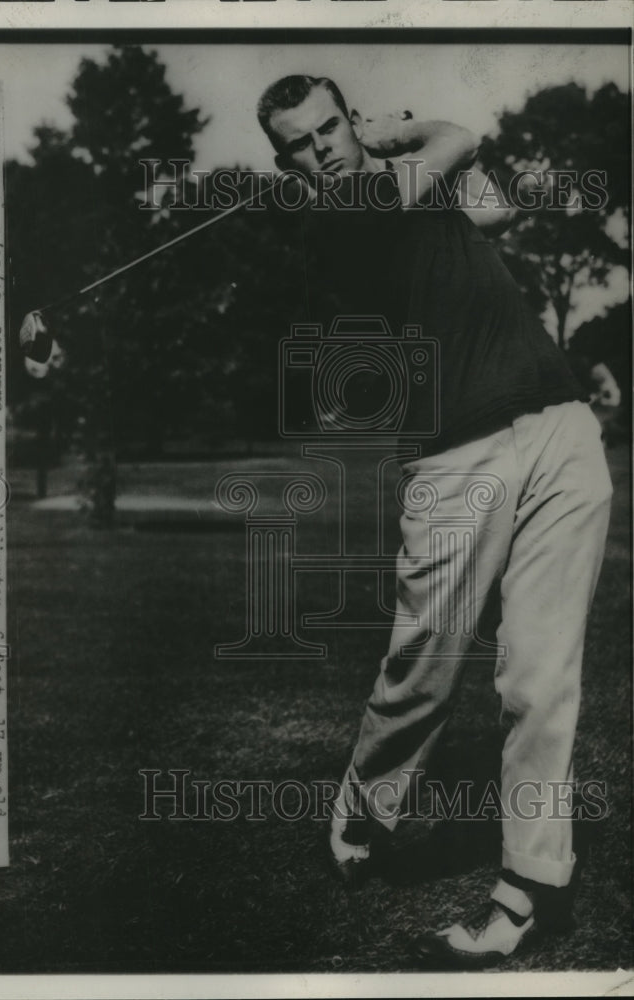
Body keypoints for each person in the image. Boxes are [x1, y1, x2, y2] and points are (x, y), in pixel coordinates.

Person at [256, 74, 613, 968]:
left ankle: (526, 888)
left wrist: (420, 152)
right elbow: (457, 139)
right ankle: (364, 807)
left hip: (560, 427)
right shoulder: (338, 216)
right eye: (299, 144)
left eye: (330, 127)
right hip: (456, 459)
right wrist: (399, 133)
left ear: (346, 120)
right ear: (287, 165)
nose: (321, 148)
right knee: (422, 666)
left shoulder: (404, 190)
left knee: (538, 681)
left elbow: (486, 210)